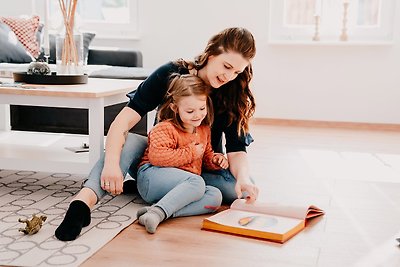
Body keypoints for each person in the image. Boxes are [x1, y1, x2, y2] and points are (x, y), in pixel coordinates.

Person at [55, 27, 259, 241]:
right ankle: (81, 205)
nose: (229, 76)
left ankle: (162, 200)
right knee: (132, 141)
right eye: (226, 66)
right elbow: (122, 122)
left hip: (198, 165)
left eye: (237, 72)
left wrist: (243, 179)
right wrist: (112, 165)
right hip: (159, 161)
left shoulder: (232, 92)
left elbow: (237, 149)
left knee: (237, 188)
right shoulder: (171, 73)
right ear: (211, 54)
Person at [135, 73, 228, 233]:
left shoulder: (203, 130)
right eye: (190, 111)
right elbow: (157, 157)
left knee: (215, 196)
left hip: (181, 185)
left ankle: (158, 212)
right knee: (198, 182)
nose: (198, 115)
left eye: (202, 108)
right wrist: (190, 152)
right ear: (175, 108)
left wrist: (215, 160)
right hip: (151, 178)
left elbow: (205, 157)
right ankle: (160, 211)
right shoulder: (164, 128)